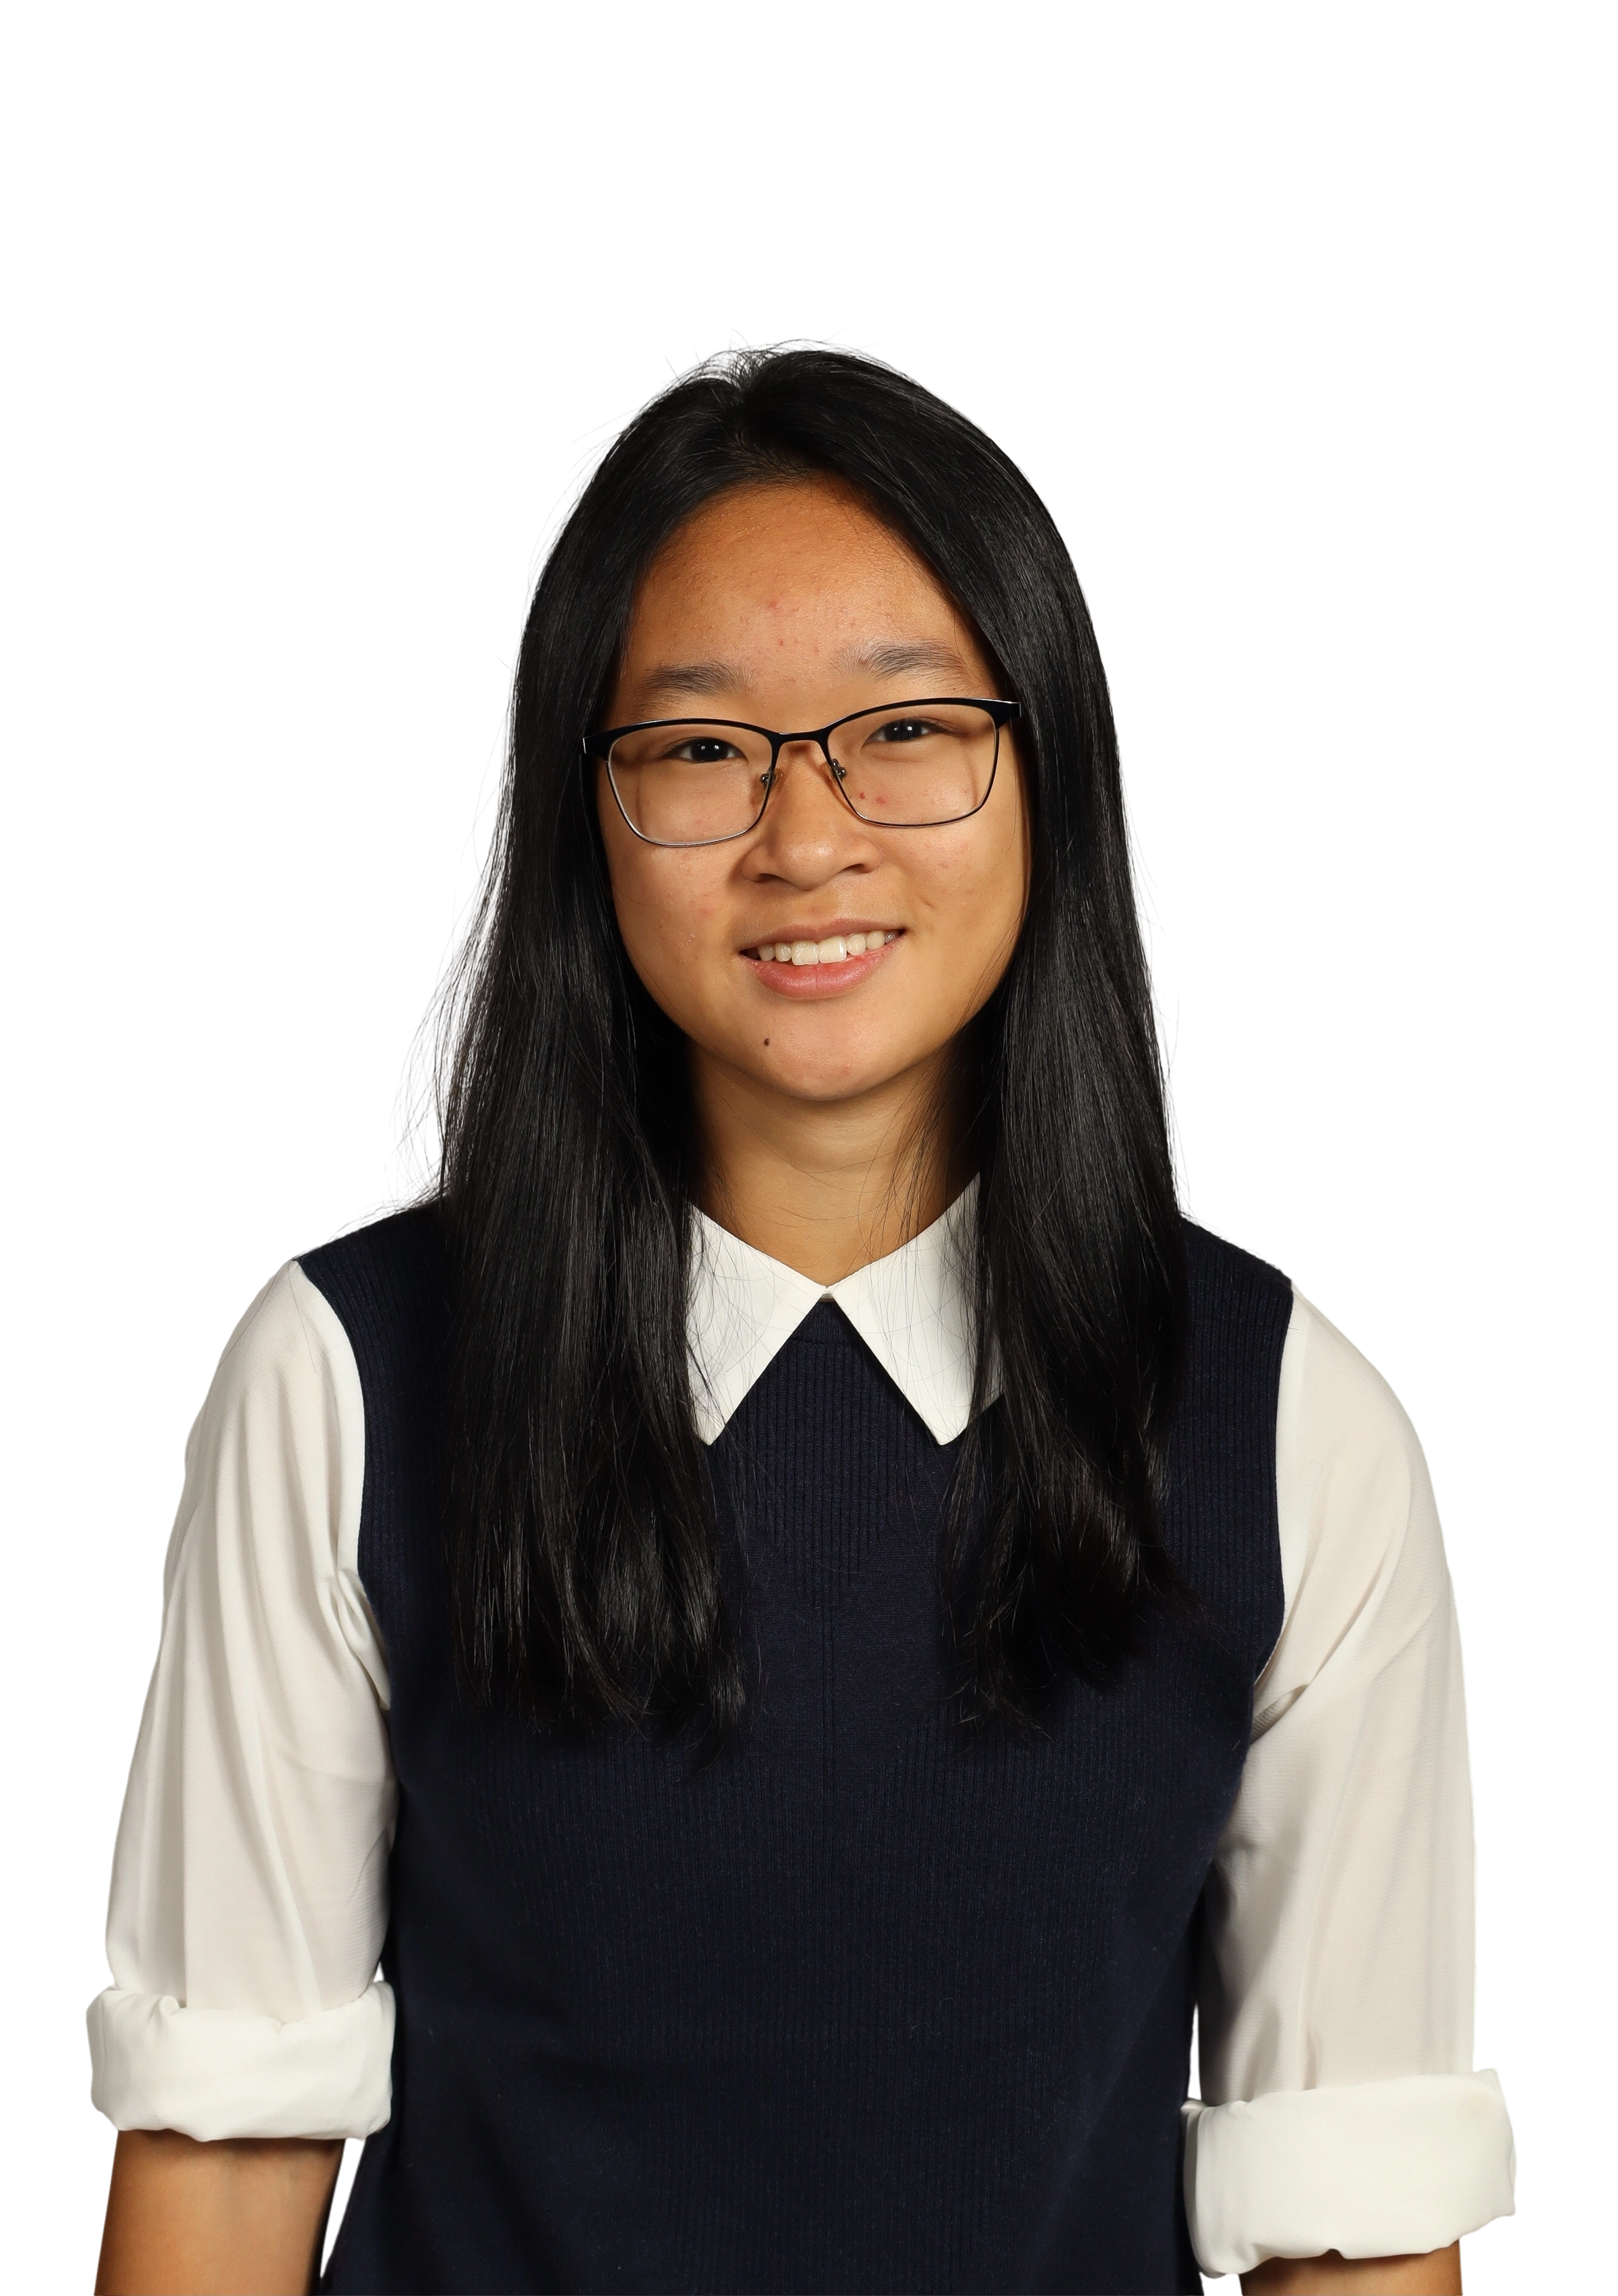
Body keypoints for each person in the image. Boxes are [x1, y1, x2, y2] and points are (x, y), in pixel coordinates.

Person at [87, 338, 1518, 2294]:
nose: (808, 836)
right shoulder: (348, 1379)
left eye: (906, 728)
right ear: (585, 812)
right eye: (701, 750)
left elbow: (1355, 2217)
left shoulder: (1285, 1423)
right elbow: (227, 2161)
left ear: (1051, 766)